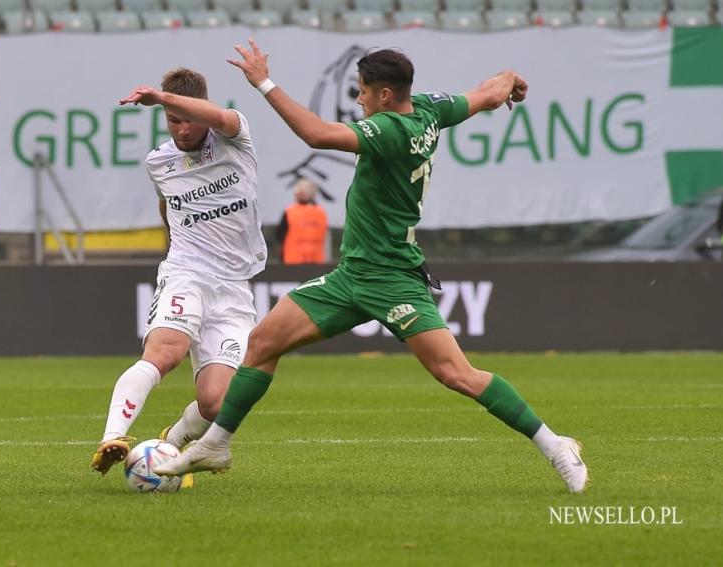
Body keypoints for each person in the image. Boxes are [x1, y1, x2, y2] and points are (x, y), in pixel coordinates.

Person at [156, 41, 588, 493]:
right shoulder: (428, 109)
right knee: (262, 342)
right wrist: (510, 77)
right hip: (351, 276)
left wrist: (263, 81)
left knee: (457, 374)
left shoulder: (388, 132)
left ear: (383, 95)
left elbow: (317, 135)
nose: (358, 99)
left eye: (362, 91)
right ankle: (216, 444)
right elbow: (488, 93)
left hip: (393, 278)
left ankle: (556, 445)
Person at [90, 68, 267, 480]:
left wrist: (163, 98)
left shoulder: (234, 137)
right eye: (173, 121)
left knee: (217, 404)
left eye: (188, 118)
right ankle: (112, 438)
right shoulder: (159, 162)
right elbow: (167, 206)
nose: (183, 128)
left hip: (235, 287)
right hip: (187, 271)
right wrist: (176, 251)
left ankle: (176, 435)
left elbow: (219, 118)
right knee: (164, 354)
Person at [275, 178, 329, 264]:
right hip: (298, 259)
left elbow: (279, 235)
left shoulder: (290, 211)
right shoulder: (321, 212)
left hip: (301, 260)